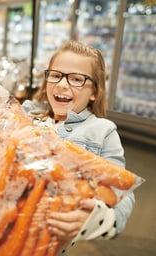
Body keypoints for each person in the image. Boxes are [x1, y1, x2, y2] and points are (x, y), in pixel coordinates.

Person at [22, 40, 135, 254]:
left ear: (94, 92)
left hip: (47, 240)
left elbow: (122, 192)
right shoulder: (25, 114)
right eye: (55, 75)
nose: (63, 85)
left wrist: (94, 218)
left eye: (76, 79)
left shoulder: (101, 131)